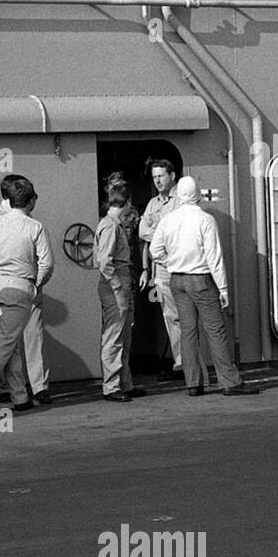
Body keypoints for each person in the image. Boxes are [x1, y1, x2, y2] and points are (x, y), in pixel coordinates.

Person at [149, 177, 258, 397]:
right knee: (215, 331)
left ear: (178, 195)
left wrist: (170, 263)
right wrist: (223, 288)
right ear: (197, 194)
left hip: (177, 280)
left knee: (188, 332)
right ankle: (229, 382)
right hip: (201, 279)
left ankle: (193, 383)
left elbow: (154, 250)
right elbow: (214, 257)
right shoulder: (205, 219)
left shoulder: (168, 220)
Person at [0, 177, 52, 414]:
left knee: (9, 343)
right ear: (31, 200)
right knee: (4, 343)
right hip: (20, 285)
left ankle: (19, 396)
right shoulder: (35, 227)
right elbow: (46, 264)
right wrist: (36, 284)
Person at [137, 159, 185, 382]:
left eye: (161, 176)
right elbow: (142, 233)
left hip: (180, 266)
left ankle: (189, 363)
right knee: (170, 315)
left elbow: (178, 233)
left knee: (185, 315)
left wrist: (158, 232)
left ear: (172, 176)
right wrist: (146, 268)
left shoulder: (182, 201)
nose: (157, 180)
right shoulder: (152, 204)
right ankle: (179, 362)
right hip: (161, 268)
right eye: (154, 177)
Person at [96, 181, 143, 403]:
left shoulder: (112, 225)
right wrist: (117, 287)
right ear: (128, 202)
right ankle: (111, 385)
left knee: (124, 335)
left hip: (120, 282)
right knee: (114, 335)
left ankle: (125, 382)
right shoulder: (111, 227)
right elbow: (104, 262)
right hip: (116, 284)